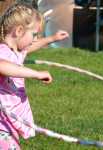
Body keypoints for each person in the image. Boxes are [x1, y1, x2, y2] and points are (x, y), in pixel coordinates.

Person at [0, 3, 69, 149]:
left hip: (8, 122)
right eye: (34, 34)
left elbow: (29, 47)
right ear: (19, 31)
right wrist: (36, 73)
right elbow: (2, 66)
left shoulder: (16, 51)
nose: (35, 39)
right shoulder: (3, 51)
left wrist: (51, 39)